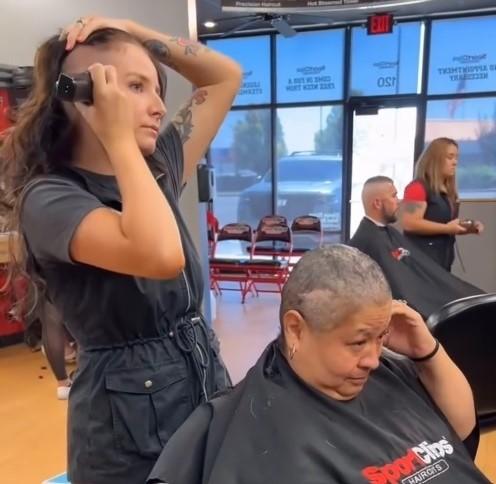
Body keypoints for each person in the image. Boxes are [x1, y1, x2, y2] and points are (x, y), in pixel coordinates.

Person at [0, 14, 241, 484]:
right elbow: (159, 256)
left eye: (157, 89)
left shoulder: (159, 167)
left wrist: (133, 30)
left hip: (202, 388)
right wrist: (116, 138)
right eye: (135, 87)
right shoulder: (50, 197)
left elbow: (224, 76)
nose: (157, 106)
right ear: (83, 96)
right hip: (127, 435)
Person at [148, 245, 490, 484]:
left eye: (381, 337)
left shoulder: (389, 371)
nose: (373, 359)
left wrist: (426, 350)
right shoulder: (240, 422)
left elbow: (461, 432)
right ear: (296, 329)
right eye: (357, 342)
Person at [349, 176, 483, 319]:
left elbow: (423, 274)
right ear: (377, 203)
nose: (399, 201)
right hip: (415, 309)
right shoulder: (368, 241)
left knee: (475, 300)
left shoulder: (389, 234)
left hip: (428, 297)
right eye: (394, 196)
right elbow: (400, 289)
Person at [401, 138, 483, 271]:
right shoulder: (417, 188)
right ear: (435, 159)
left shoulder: (448, 191)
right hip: (421, 263)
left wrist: (467, 226)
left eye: (456, 157)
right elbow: (409, 223)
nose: (455, 162)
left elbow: (444, 224)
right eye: (450, 157)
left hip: (443, 261)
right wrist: (447, 229)